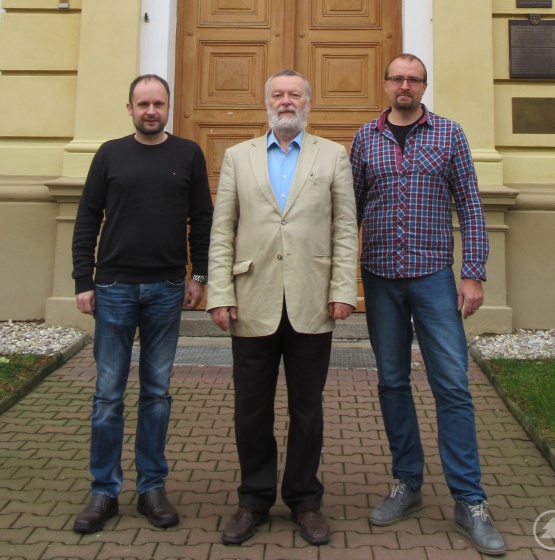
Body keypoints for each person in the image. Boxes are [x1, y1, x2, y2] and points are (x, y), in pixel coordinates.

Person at [350, 54, 506, 556]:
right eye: (397, 78)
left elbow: (471, 205)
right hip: (379, 279)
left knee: (452, 386)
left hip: (435, 278)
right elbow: (347, 209)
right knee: (392, 383)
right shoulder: (364, 139)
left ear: (423, 86)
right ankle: (407, 484)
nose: (404, 86)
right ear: (385, 84)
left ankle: (470, 500)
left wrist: (473, 272)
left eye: (413, 79)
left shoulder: (450, 134)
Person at [207, 69, 358, 546]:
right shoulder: (237, 157)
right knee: (251, 409)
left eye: (295, 94)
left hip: (312, 299)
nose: (286, 101)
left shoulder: (333, 155)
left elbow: (345, 227)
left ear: (308, 102)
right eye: (278, 94)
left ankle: (304, 500)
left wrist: (343, 289)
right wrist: (220, 293)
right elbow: (222, 230)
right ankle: (252, 500)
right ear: (266, 102)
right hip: (252, 298)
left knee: (307, 409)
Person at [71, 74, 213, 534]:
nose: (151, 111)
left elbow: (202, 219)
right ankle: (103, 492)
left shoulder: (188, 154)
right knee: (108, 395)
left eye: (158, 103)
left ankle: (152, 486)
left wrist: (199, 276)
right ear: (128, 108)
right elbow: (88, 217)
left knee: (156, 393)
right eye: (143, 103)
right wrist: (83, 280)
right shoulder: (110, 154)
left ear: (168, 106)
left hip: (167, 289)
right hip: (113, 287)